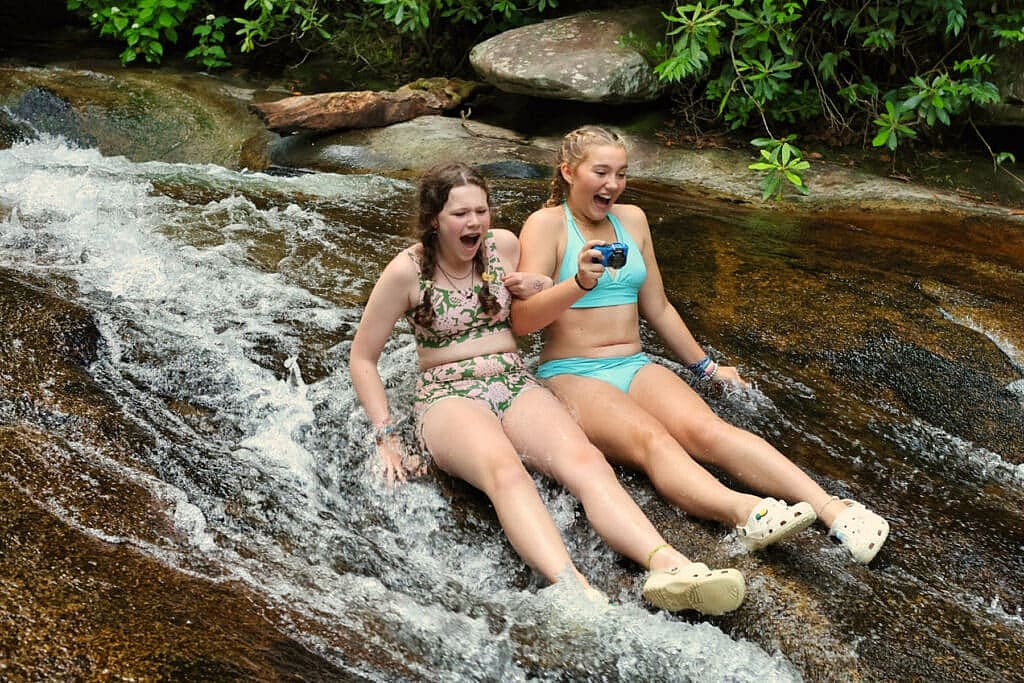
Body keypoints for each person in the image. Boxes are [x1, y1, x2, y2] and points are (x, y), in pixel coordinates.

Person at [349, 161, 747, 615]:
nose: (475, 222)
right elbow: (363, 357)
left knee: (586, 462)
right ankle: (573, 587)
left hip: (513, 379)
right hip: (449, 393)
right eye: (460, 214)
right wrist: (385, 435)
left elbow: (530, 307)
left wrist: (537, 284)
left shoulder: (504, 246)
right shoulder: (406, 271)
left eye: (481, 211)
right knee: (506, 472)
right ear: (434, 219)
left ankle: (669, 564)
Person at [511, 126, 890, 565]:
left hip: (633, 364)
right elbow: (524, 321)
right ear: (569, 172)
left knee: (709, 432)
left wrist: (707, 367)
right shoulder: (545, 225)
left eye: (621, 173)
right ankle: (746, 512)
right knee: (654, 440)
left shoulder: (632, 220)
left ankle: (833, 509)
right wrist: (578, 282)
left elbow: (660, 307)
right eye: (601, 172)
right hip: (572, 373)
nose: (612, 184)